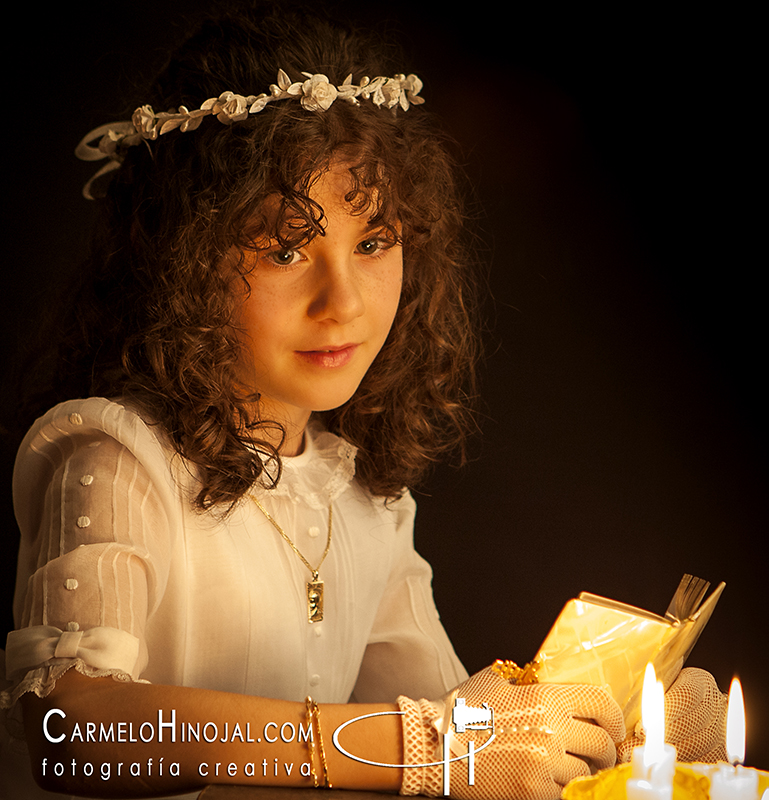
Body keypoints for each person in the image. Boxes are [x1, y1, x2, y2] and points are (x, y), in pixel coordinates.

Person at [0, 5, 727, 799]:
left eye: (374, 242)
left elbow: (454, 732)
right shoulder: (117, 457)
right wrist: (428, 746)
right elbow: (66, 727)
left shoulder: (361, 494)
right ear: (180, 261)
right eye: (285, 250)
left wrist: (611, 727)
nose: (342, 301)